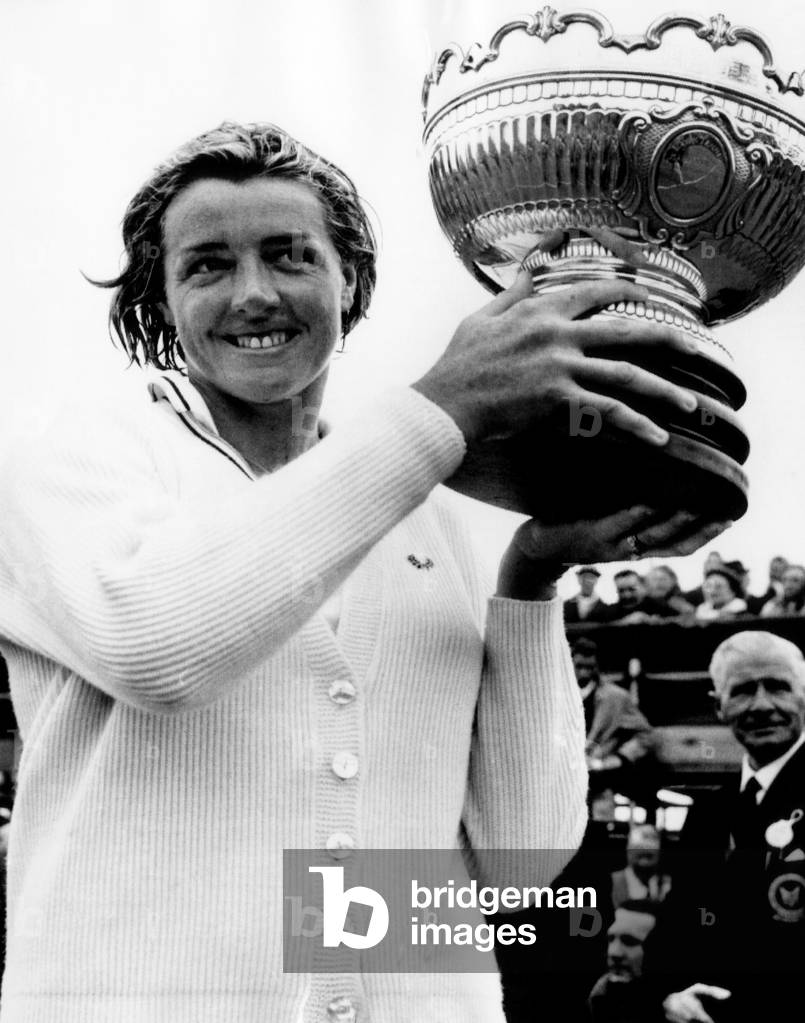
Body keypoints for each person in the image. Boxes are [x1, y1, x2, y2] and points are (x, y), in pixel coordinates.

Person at [0, 123, 726, 1022]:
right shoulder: (73, 455)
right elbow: (159, 645)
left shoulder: (427, 506)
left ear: (351, 278)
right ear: (161, 299)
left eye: (290, 255)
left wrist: (531, 579)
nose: (254, 294)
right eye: (207, 265)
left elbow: (518, 860)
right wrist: (441, 408)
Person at [660, 631, 805, 1021]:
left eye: (777, 687)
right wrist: (670, 995)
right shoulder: (709, 810)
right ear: (718, 706)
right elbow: (678, 925)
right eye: (742, 691)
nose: (761, 705)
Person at [571, 638, 654, 800]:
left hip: (601, 783)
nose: (584, 673)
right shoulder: (556, 698)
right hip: (563, 783)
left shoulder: (616, 698)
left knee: (601, 823)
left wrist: (620, 758)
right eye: (579, 666)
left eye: (590, 667)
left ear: (597, 666)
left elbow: (647, 735)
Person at [587, 901, 664, 1022]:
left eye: (630, 942)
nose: (614, 953)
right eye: (611, 939)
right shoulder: (597, 997)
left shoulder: (682, 1008)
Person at [610, 825, 672, 908]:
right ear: (628, 853)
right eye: (639, 850)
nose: (644, 857)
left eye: (649, 853)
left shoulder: (667, 882)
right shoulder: (613, 881)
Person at [606, 570, 678, 624]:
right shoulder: (610, 612)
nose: (627, 595)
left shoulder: (661, 607)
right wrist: (623, 623)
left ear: (642, 587)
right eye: (621, 591)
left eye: (632, 589)